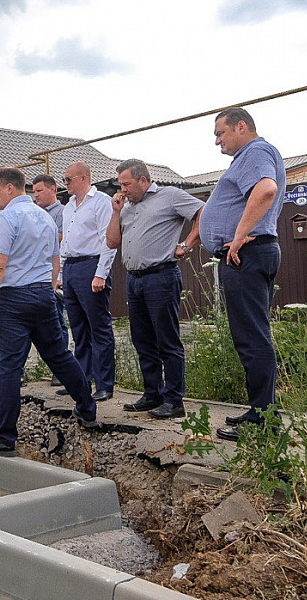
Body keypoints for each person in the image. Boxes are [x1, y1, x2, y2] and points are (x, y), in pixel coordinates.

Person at [0, 167, 97, 454]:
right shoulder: (45, 217)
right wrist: (48, 287)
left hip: (13, 299)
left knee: (9, 368)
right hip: (43, 295)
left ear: (9, 188)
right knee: (58, 355)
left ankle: (5, 439)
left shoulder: (8, 217)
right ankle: (87, 408)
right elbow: (56, 261)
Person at [198, 107, 286, 441]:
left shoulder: (256, 151)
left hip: (246, 254)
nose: (217, 141)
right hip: (247, 254)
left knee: (252, 337)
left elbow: (266, 189)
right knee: (251, 335)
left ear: (241, 126)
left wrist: (236, 238)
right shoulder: (250, 156)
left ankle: (264, 419)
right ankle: (260, 410)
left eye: (220, 133)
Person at [106, 159, 204, 420]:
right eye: (120, 184)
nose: (123, 189)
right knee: (142, 339)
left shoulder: (169, 196)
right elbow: (112, 241)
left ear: (143, 180)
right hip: (134, 279)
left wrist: (188, 243)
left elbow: (203, 212)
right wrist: (115, 212)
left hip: (161, 276)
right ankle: (152, 394)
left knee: (167, 340)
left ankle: (174, 400)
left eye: (126, 183)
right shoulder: (126, 208)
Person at [61, 161, 117, 402]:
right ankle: (82, 379)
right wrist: (61, 274)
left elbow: (109, 240)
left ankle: (105, 384)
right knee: (79, 328)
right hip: (72, 267)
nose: (65, 184)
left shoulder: (101, 202)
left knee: (99, 327)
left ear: (83, 178)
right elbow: (66, 243)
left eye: (68, 179)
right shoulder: (69, 207)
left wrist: (101, 273)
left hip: (91, 264)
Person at [32, 173, 70, 365]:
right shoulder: (34, 213)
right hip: (36, 275)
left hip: (55, 273)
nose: (36, 195)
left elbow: (61, 239)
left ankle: (62, 363)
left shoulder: (62, 212)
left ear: (53, 189)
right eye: (34, 192)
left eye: (39, 190)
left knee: (57, 320)